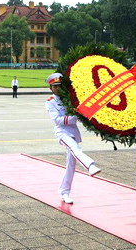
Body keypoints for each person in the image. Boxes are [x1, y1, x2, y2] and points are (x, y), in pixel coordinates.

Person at [45, 73, 101, 204]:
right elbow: (57, 120)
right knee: (75, 148)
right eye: (55, 86)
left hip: (73, 132)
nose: (58, 89)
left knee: (71, 164)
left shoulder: (69, 98)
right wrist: (76, 117)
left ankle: (65, 191)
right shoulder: (50, 102)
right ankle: (90, 165)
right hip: (62, 132)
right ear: (50, 88)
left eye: (60, 86)